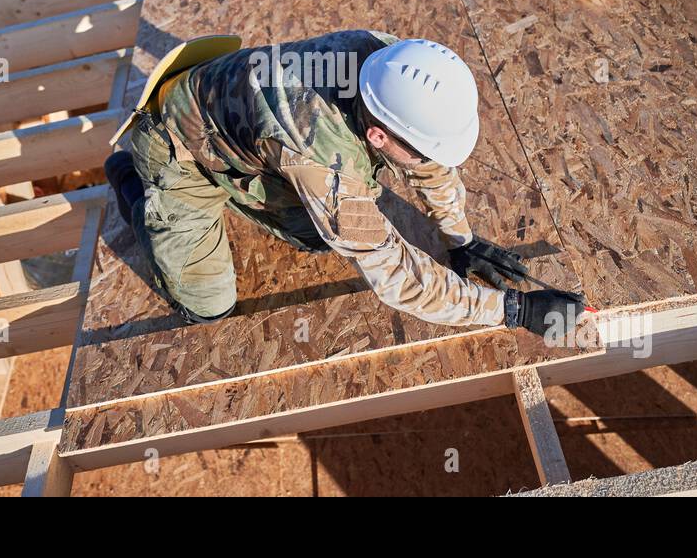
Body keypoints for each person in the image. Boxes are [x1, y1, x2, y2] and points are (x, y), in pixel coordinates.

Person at [105, 30, 586, 337]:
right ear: (376, 134)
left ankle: (239, 179)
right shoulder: (321, 159)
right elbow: (396, 277)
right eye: (416, 151)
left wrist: (459, 239)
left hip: (244, 125)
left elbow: (429, 162)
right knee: (209, 309)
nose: (427, 164)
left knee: (318, 238)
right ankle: (133, 183)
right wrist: (514, 311)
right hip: (177, 145)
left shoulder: (394, 62)